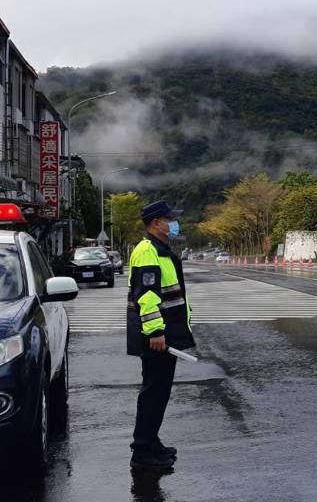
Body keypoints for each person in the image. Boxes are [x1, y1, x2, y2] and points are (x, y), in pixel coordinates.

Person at [126, 200, 195, 471]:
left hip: (166, 335)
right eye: (170, 219)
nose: (174, 223)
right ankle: (142, 450)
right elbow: (147, 296)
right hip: (156, 337)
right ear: (157, 223)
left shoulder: (160, 250)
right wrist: (155, 331)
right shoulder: (147, 251)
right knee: (154, 392)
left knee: (159, 391)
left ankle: (151, 441)